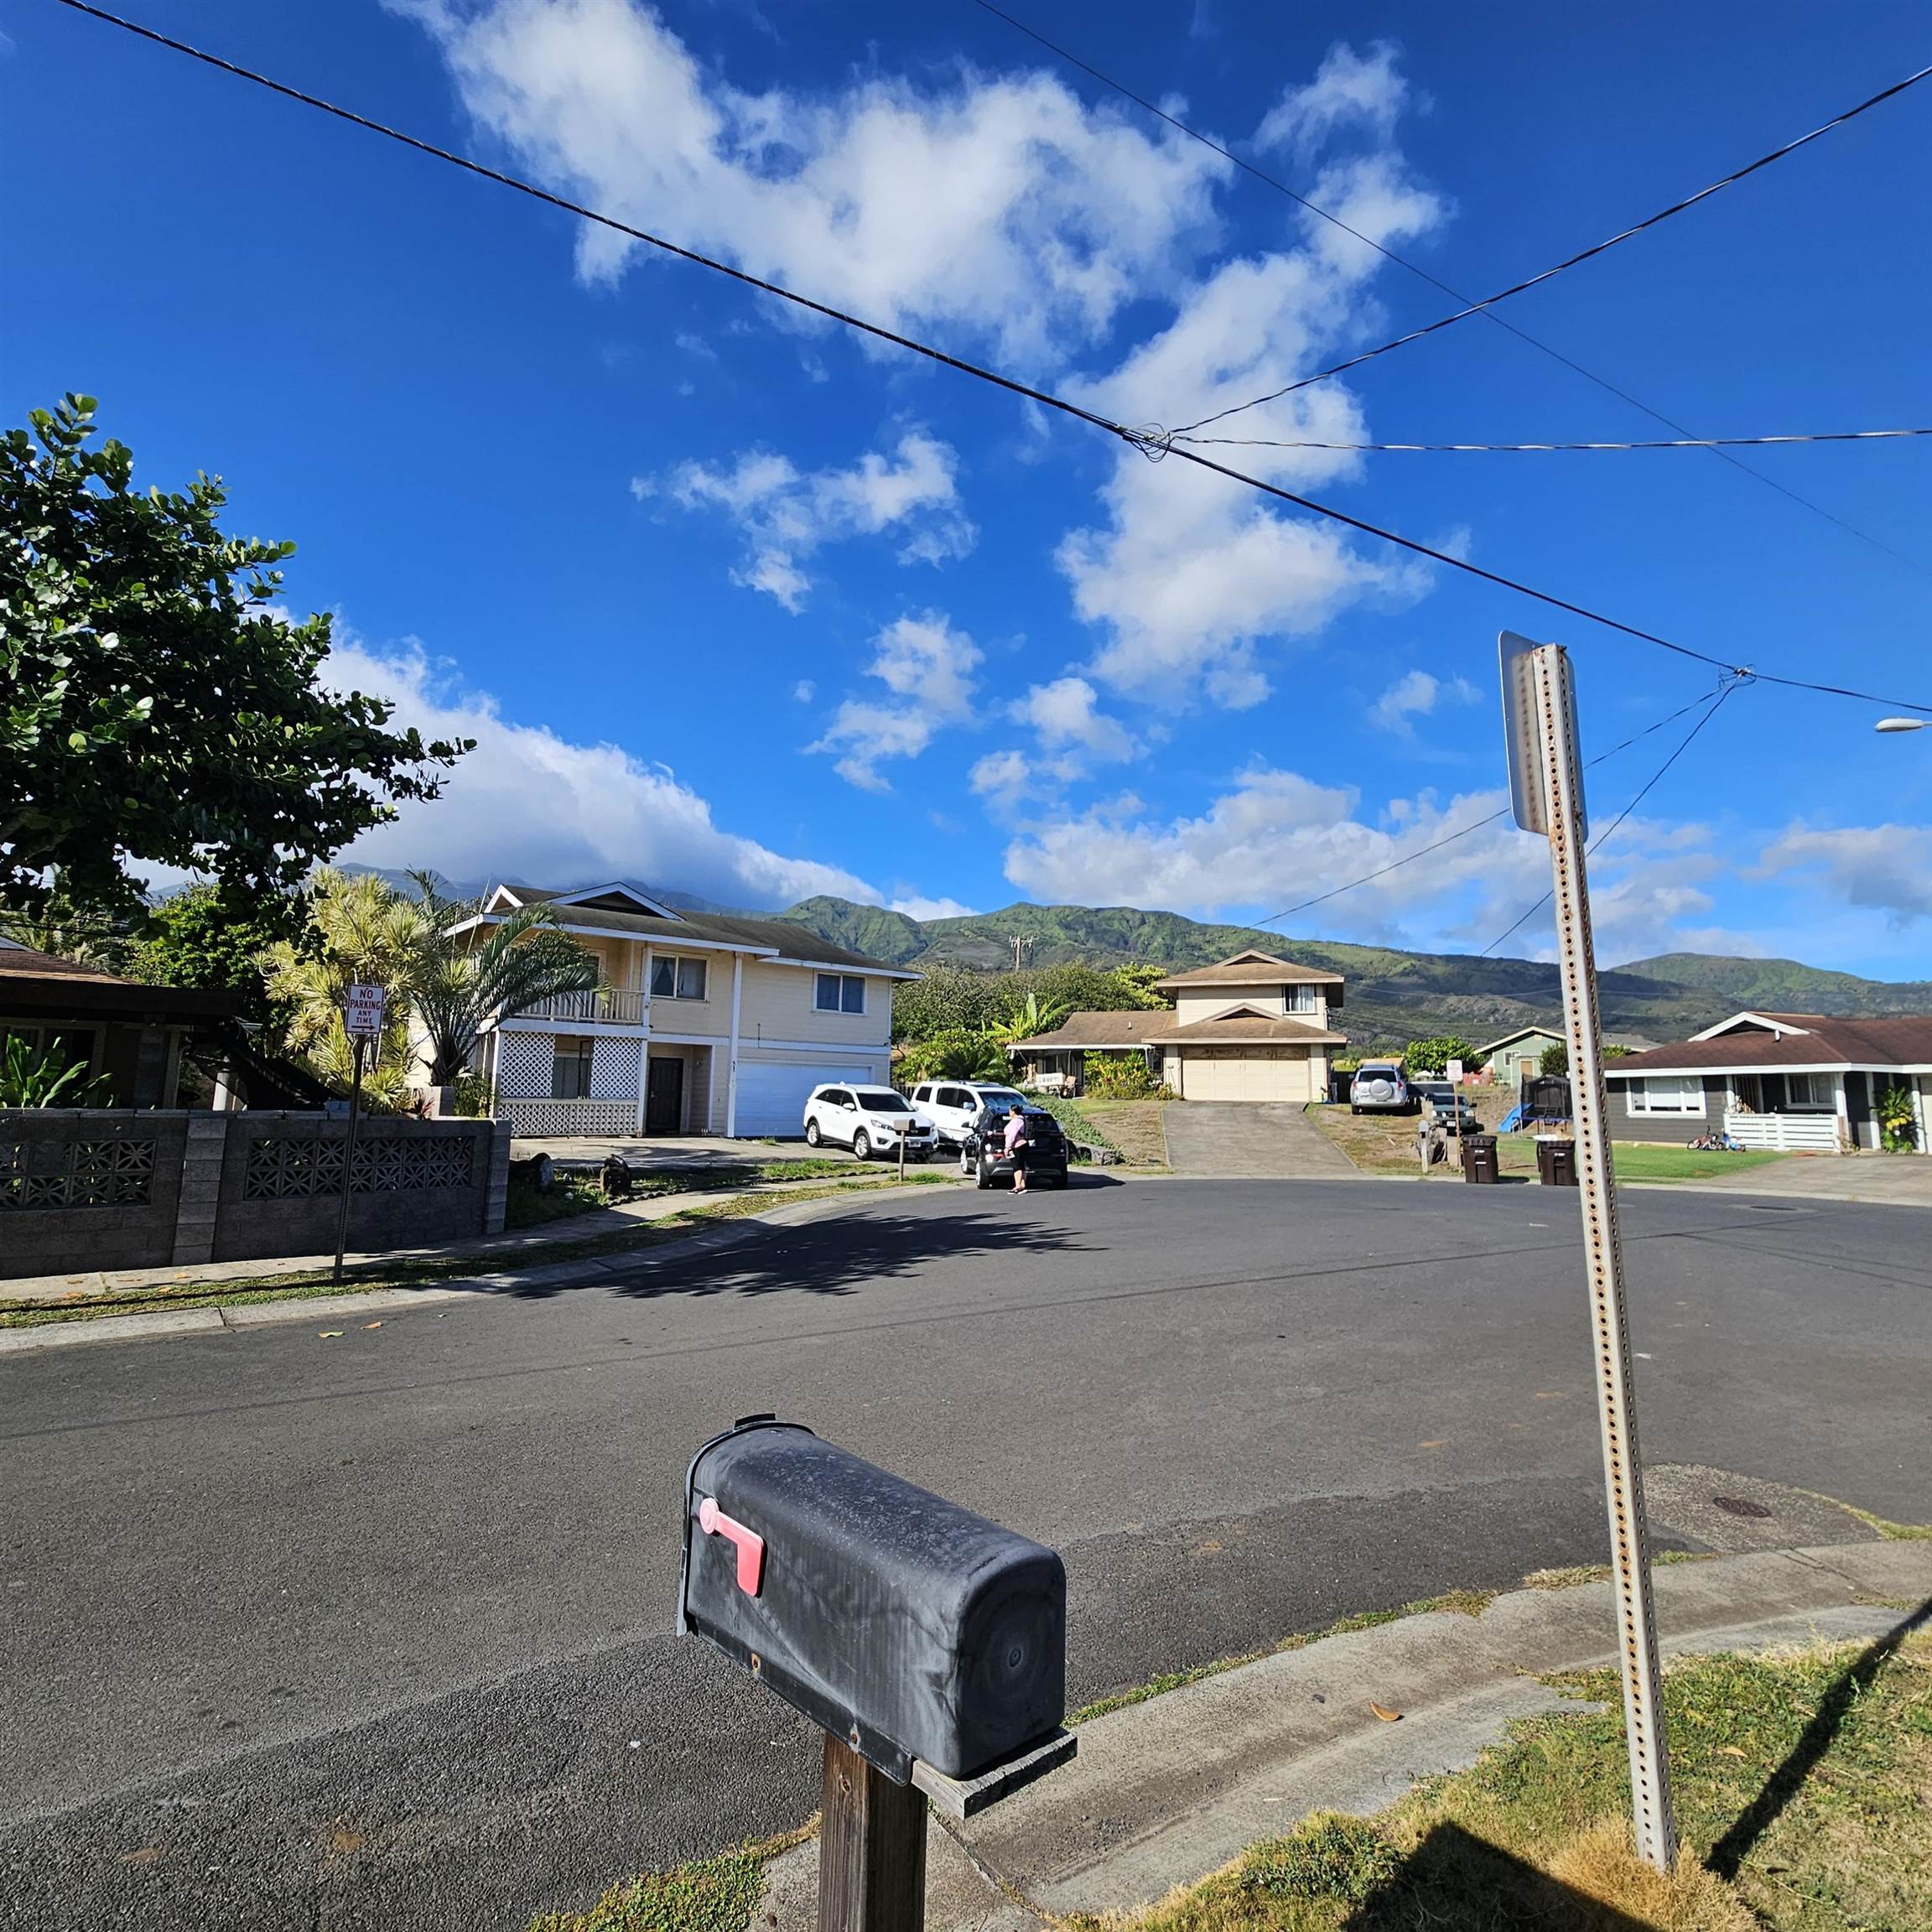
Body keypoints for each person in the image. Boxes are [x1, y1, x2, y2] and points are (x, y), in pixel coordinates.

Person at [1002, 1103, 1030, 1194]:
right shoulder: (1020, 1120)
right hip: (1021, 1144)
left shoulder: (1017, 1121)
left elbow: (1013, 1135)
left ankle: (1018, 1186)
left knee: (1017, 1166)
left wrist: (1007, 1147)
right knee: (1021, 1165)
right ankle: (1022, 1185)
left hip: (1017, 1145)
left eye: (1010, 1110)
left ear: (1013, 1111)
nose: (1009, 1112)